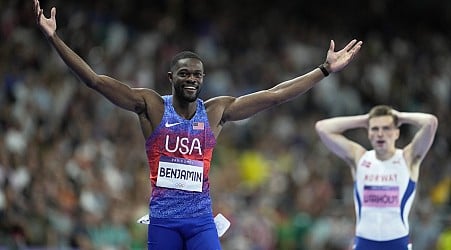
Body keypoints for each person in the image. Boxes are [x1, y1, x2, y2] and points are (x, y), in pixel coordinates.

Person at [33, 0, 362, 249]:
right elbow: (93, 80)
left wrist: (323, 70)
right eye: (184, 73)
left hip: (200, 221)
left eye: (197, 75)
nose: (191, 79)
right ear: (171, 77)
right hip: (163, 221)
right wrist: (54, 38)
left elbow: (274, 95)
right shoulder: (150, 106)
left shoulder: (216, 111)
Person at [315, 105, 438, 250]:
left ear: (396, 133)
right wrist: (364, 120)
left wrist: (400, 117)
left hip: (397, 243)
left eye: (386, 128)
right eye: (374, 128)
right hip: (364, 243)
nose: (380, 134)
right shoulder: (359, 157)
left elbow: (430, 122)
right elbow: (322, 127)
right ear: (368, 133)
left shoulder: (408, 158)